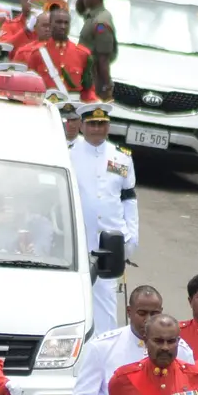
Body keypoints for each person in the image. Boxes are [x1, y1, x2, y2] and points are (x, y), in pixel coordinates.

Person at [69, 104, 138, 331]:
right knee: (76, 296)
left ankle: (106, 353)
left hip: (109, 241)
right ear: (82, 125)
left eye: (102, 124)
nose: (97, 129)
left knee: (107, 299)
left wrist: (131, 236)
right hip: (78, 237)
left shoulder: (121, 158)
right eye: (92, 124)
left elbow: (128, 198)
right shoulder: (69, 154)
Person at [19, 6, 93, 100]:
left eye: (66, 23)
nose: (63, 26)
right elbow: (29, 87)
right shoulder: (37, 54)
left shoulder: (83, 54)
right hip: (46, 107)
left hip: (72, 109)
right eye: (59, 22)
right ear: (50, 24)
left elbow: (88, 90)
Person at [74, 0, 117, 97]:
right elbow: (80, 9)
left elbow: (103, 59)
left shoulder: (101, 23)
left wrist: (106, 86)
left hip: (92, 81)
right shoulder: (92, 14)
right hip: (84, 76)